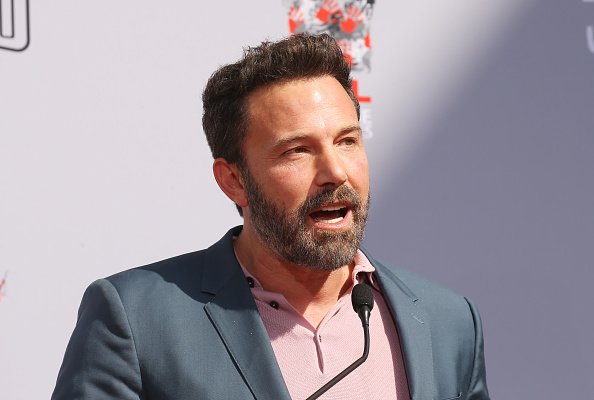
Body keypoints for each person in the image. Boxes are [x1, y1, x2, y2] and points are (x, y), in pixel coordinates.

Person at [52, 34, 489, 400]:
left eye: (348, 141)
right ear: (233, 181)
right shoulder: (136, 318)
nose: (335, 172)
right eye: (297, 150)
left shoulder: (446, 321)